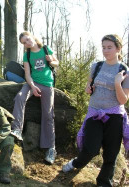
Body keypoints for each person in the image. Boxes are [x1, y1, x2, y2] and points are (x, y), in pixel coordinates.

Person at [62, 34, 129, 187]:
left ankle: (104, 182)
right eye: (104, 47)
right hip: (95, 113)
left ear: (118, 49)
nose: (106, 51)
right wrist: (89, 89)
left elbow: (123, 100)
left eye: (109, 47)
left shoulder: (124, 70)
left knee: (111, 154)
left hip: (114, 117)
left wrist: (118, 84)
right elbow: (88, 88)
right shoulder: (97, 66)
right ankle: (76, 163)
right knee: (90, 148)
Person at [10, 31, 59, 165]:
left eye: (27, 39)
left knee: (48, 115)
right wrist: (32, 86)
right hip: (33, 83)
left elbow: (57, 63)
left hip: (47, 85)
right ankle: (17, 130)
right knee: (20, 97)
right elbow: (27, 73)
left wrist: (51, 61)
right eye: (24, 42)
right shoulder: (27, 55)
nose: (27, 43)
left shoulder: (45, 48)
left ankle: (50, 149)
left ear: (32, 37)